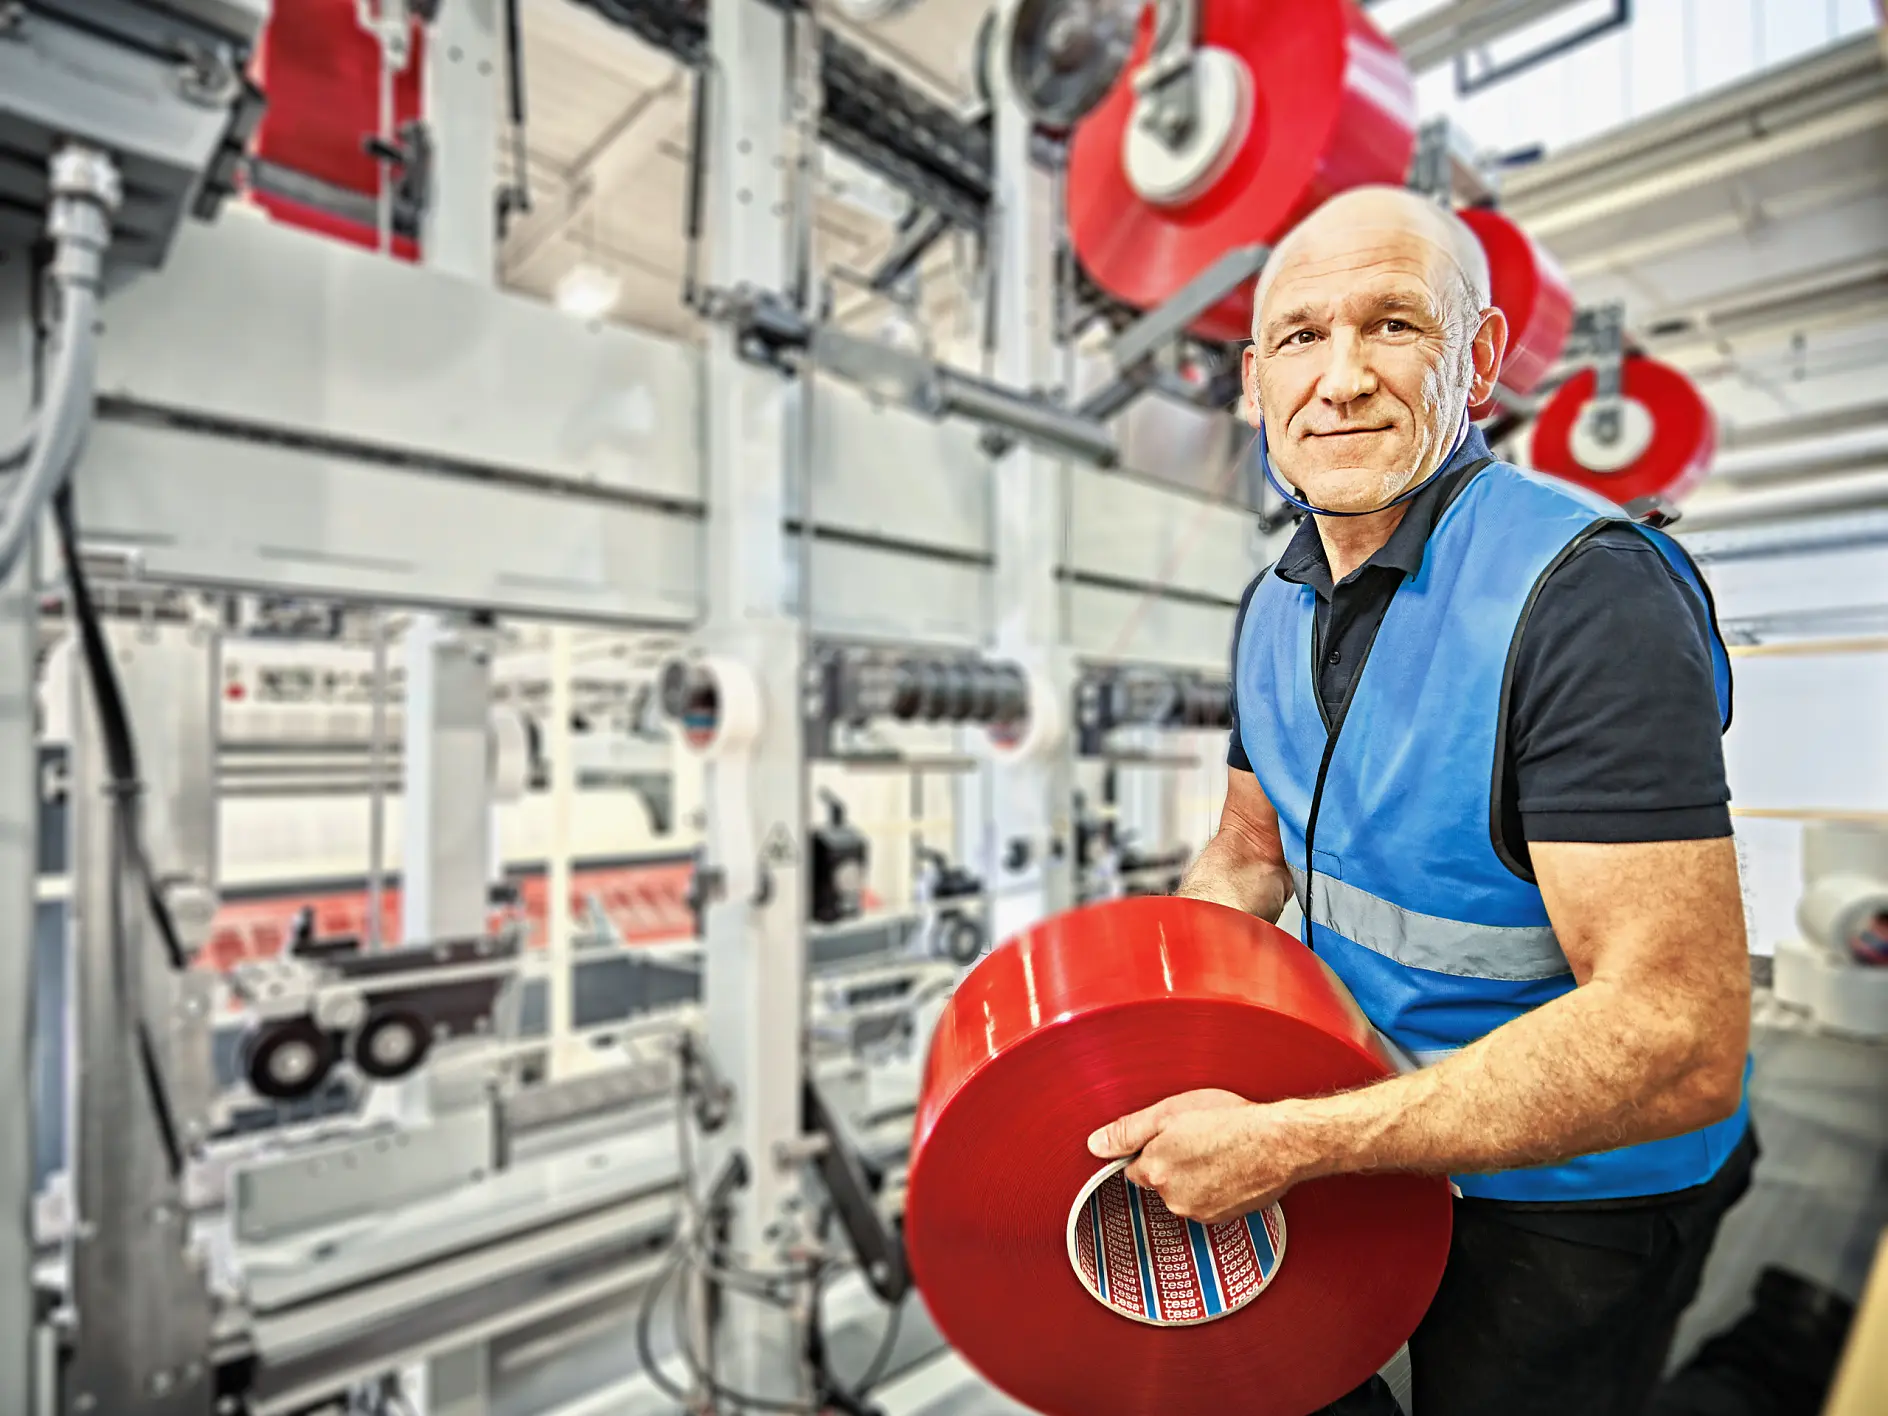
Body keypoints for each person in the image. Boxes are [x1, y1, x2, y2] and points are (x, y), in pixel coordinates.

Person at [1086, 186, 1756, 1416]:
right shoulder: (1273, 602)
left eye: (1392, 325)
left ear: (1482, 360)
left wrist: (1288, 1140)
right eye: (1299, 336)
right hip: (1376, 1130)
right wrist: (1155, 1058)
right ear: (1251, 380)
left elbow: (1677, 1042)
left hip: (1576, 1195)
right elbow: (1245, 853)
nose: (1339, 379)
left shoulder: (1585, 595)